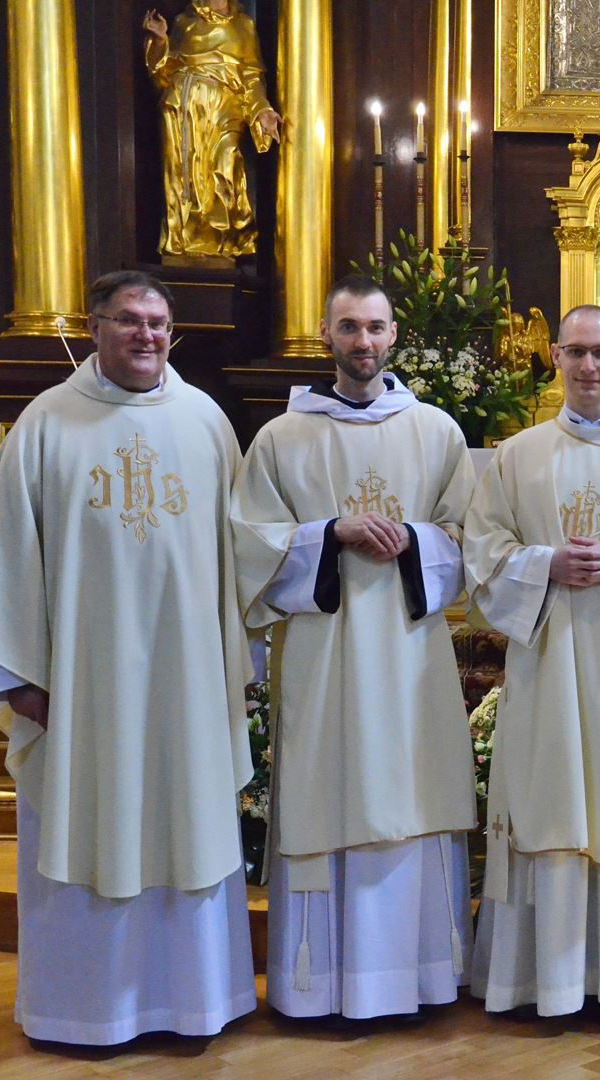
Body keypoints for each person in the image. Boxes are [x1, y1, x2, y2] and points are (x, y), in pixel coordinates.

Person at [0, 270, 255, 1044]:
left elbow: (242, 557)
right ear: (95, 328)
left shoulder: (206, 422)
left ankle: (195, 1004)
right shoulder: (45, 425)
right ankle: (78, 1012)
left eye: (158, 323)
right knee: (86, 826)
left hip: (185, 686)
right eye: (128, 321)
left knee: (189, 821)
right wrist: (19, 681)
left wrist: (237, 665)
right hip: (85, 693)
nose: (146, 335)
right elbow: (4, 564)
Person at [231, 274, 477, 1019]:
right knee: (324, 789)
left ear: (393, 336)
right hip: (322, 655)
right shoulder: (282, 436)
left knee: (413, 790)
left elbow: (474, 539)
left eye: (374, 328)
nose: (362, 342)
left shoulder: (435, 431)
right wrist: (325, 534)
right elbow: (247, 543)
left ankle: (421, 978)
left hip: (410, 655)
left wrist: (416, 540)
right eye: (347, 328)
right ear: (326, 336)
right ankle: (318, 989)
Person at [465, 305, 600, 1018]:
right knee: (548, 795)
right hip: (547, 663)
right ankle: (544, 982)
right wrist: (545, 563)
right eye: (575, 353)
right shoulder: (517, 455)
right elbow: (482, 555)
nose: (588, 367)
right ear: (554, 358)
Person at [143, 1, 281, 262]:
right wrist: (160, 41)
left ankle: (223, 241)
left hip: (225, 106)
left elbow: (252, 77)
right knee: (183, 177)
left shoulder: (243, 25)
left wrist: (262, 110)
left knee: (225, 164)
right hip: (183, 106)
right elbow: (162, 75)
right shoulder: (184, 22)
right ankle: (184, 244)